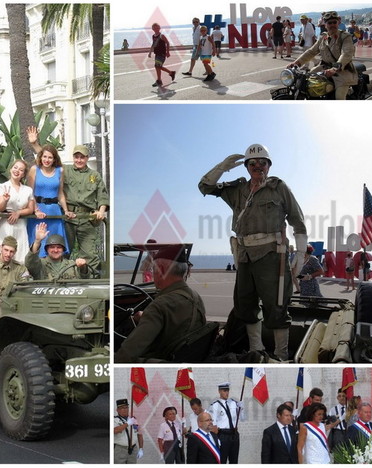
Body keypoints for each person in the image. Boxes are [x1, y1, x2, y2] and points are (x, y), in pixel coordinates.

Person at [198, 144, 307, 361]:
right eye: (253, 163)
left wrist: (301, 256)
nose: (258, 167)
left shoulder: (278, 188)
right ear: (246, 167)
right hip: (245, 255)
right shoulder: (237, 190)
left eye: (262, 163)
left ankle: (281, 354)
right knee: (245, 305)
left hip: (272, 255)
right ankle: (256, 351)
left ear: (269, 166)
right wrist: (221, 168)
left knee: (276, 306)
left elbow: (298, 221)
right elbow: (204, 187)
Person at [115, 245, 206, 362]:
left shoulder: (159, 306)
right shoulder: (196, 297)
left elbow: (126, 354)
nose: (153, 273)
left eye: (154, 269)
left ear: (162, 270)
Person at [61, 144, 109, 274]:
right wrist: (34, 144)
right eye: (76, 157)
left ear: (87, 158)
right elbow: (48, 161)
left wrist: (101, 211)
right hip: (68, 218)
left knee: (90, 255)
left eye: (82, 157)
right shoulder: (65, 170)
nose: (79, 160)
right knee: (62, 251)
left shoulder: (95, 175)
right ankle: (62, 278)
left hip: (87, 219)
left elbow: (102, 195)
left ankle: (88, 281)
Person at [289, 11, 357, 100]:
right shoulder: (323, 37)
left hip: (342, 71)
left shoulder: (345, 37)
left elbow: (346, 53)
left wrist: (335, 68)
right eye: (329, 23)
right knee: (307, 81)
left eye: (334, 22)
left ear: (338, 23)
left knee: (339, 97)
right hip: (324, 68)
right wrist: (297, 63)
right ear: (325, 24)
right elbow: (311, 52)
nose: (332, 25)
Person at [26, 142, 70, 258]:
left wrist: (66, 210)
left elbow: (60, 193)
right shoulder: (34, 169)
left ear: (54, 159)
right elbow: (30, 193)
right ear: (40, 157)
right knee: (39, 241)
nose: (47, 160)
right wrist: (36, 210)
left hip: (54, 211)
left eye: (50, 157)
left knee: (55, 242)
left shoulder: (59, 171)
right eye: (45, 156)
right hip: (39, 211)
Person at [0, 160, 34, 264]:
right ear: (11, 169)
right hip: (4, 223)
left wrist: (18, 213)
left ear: (23, 174)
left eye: (21, 170)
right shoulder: (2, 186)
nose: (17, 171)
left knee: (20, 252)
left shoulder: (28, 190)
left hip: (20, 225)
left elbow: (30, 209)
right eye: (15, 168)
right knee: (2, 250)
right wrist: (5, 200)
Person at [25, 222, 89, 280]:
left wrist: (83, 267)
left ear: (63, 250)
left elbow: (84, 278)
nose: (55, 250)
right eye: (52, 247)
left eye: (59, 247)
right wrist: (37, 241)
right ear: (47, 249)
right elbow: (30, 262)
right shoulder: (40, 264)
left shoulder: (71, 264)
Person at [208, 382, 243, 463]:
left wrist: (242, 409)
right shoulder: (215, 405)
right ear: (219, 391)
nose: (226, 393)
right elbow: (213, 423)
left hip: (234, 434)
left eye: (227, 390)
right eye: (224, 391)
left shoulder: (234, 403)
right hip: (223, 435)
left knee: (234, 460)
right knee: (222, 460)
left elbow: (242, 418)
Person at [114, 398, 144, 463]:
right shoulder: (115, 420)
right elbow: (115, 430)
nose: (125, 410)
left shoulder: (133, 419)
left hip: (133, 449)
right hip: (120, 449)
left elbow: (139, 434)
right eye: (122, 408)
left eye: (126, 407)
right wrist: (127, 424)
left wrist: (141, 448)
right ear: (117, 410)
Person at [148, 22, 175, 87]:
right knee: (157, 66)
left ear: (159, 28)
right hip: (157, 53)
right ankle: (170, 73)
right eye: (154, 28)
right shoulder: (153, 36)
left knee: (157, 66)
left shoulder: (162, 36)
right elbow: (153, 44)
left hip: (162, 54)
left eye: (157, 27)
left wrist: (168, 52)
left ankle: (160, 80)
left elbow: (168, 43)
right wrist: (150, 52)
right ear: (152, 29)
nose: (156, 29)